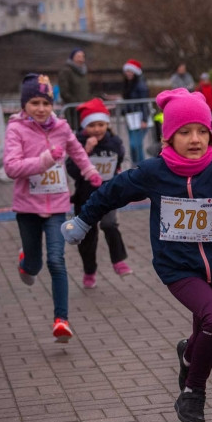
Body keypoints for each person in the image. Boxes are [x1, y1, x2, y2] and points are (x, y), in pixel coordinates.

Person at [62, 89, 212, 422]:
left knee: (204, 328)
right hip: (177, 268)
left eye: (202, 131)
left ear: (211, 133)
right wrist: (83, 221)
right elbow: (111, 192)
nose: (195, 139)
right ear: (169, 137)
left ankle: (188, 353)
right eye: (185, 132)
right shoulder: (154, 171)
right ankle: (192, 393)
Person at [5, 74, 101, 343]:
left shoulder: (61, 127)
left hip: (57, 204)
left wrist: (89, 171)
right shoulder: (16, 129)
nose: (40, 108)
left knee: (56, 260)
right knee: (35, 265)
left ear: (52, 104)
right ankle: (26, 261)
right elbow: (12, 167)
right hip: (27, 207)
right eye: (34, 102)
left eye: (46, 103)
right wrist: (46, 160)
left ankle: (62, 320)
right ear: (25, 105)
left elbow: (78, 151)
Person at [66, 98, 132, 289]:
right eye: (92, 125)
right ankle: (89, 271)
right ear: (85, 126)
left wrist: (118, 172)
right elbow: (71, 169)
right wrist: (86, 150)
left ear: (107, 124)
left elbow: (119, 158)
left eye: (101, 124)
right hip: (85, 196)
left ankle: (118, 261)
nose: (97, 129)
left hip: (109, 194)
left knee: (110, 224)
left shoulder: (115, 142)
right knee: (87, 236)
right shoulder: (77, 142)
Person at [122, 59, 151, 163]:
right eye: (127, 71)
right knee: (132, 145)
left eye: (130, 71)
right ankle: (135, 167)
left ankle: (140, 166)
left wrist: (144, 119)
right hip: (130, 117)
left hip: (139, 117)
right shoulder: (128, 84)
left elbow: (144, 103)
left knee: (136, 145)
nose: (128, 73)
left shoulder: (141, 85)